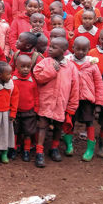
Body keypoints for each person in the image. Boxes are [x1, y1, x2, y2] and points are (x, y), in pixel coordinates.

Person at [33, 37, 80, 168]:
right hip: (46, 102)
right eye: (50, 46)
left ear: (64, 50)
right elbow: (38, 77)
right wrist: (52, 71)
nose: (50, 49)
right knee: (42, 126)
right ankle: (39, 152)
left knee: (58, 126)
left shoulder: (71, 67)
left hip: (61, 103)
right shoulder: (45, 62)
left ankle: (54, 148)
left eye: (54, 47)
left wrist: (72, 107)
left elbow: (75, 87)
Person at [67, 37, 103, 161]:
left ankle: (90, 149)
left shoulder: (92, 65)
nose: (81, 52)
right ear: (73, 48)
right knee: (70, 121)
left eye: (84, 49)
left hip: (87, 100)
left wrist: (99, 104)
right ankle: (68, 145)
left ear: (89, 49)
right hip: (71, 99)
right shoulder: (68, 62)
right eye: (78, 49)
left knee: (89, 122)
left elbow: (99, 84)